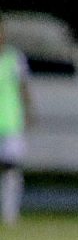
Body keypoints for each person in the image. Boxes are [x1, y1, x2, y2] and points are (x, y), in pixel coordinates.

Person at [0, 20, 33, 226]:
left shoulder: (14, 58)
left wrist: (29, 112)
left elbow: (23, 88)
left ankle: (10, 214)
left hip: (10, 121)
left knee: (11, 169)